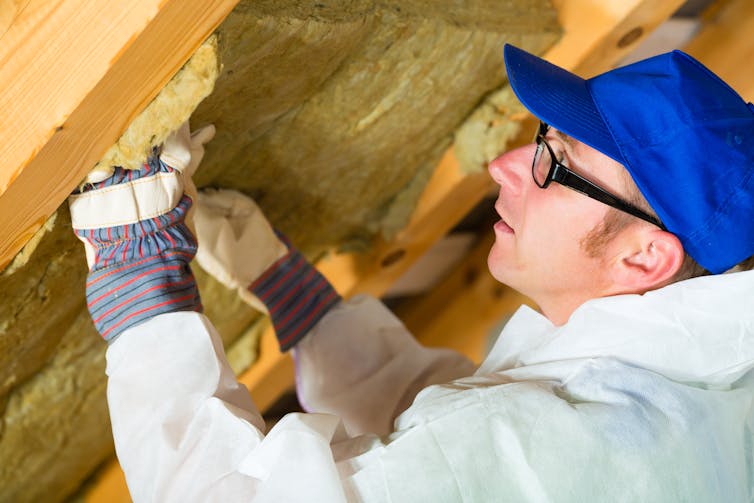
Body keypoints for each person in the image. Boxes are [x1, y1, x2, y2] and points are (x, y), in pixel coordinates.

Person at [68, 44, 754, 502]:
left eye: (555, 164)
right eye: (539, 138)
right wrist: (287, 288)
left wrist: (143, 284)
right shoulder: (685, 388)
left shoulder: (573, 454)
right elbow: (453, 426)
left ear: (644, 256)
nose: (505, 166)